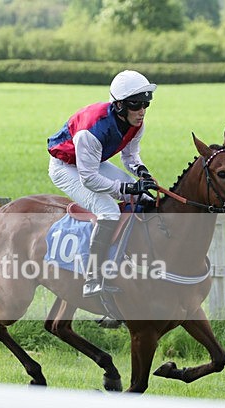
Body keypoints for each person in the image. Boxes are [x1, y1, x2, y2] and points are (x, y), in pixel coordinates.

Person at [47, 70, 158, 297]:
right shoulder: (92, 130)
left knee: (145, 198)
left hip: (91, 162)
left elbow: (130, 157)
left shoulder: (137, 123)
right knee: (108, 210)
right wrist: (126, 189)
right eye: (136, 105)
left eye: (146, 104)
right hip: (65, 167)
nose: (142, 111)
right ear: (119, 106)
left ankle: (134, 260)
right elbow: (89, 178)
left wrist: (142, 174)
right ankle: (92, 278)